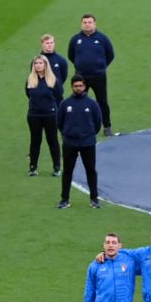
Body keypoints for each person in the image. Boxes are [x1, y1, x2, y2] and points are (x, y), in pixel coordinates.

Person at [56, 78, 102, 210]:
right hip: (70, 143)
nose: (78, 88)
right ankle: (65, 199)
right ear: (71, 87)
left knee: (91, 171)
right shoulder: (65, 104)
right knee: (67, 172)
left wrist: (89, 134)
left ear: (85, 87)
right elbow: (59, 122)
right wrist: (67, 134)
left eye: (81, 86)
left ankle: (94, 199)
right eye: (76, 86)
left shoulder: (92, 104)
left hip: (88, 143)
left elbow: (98, 122)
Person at [67, 14, 116, 136]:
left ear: (95, 24)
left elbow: (110, 55)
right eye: (84, 22)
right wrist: (80, 66)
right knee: (78, 101)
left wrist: (101, 66)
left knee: (102, 101)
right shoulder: (75, 39)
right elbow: (71, 55)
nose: (87, 24)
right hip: (81, 77)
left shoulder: (102, 38)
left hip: (98, 76)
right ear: (81, 24)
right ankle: (79, 126)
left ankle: (107, 126)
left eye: (89, 22)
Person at [26, 56, 62, 177]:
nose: (38, 65)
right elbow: (28, 95)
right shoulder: (30, 80)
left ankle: (57, 167)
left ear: (45, 65)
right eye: (36, 63)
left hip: (50, 115)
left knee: (52, 140)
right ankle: (33, 167)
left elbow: (58, 96)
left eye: (41, 63)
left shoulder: (53, 80)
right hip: (34, 115)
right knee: (35, 141)